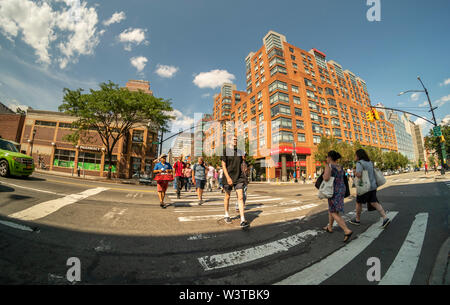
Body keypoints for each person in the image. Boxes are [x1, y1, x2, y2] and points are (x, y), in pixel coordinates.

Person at [349, 149, 390, 228]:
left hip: (364, 187)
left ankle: (357, 219)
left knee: (359, 203)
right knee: (374, 202)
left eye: (355, 155)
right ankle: (385, 217)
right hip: (373, 186)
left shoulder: (359, 163)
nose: (355, 157)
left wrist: (354, 172)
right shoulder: (370, 162)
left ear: (358, 156)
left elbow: (359, 175)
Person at [322, 151, 353, 242]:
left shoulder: (329, 166)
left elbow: (326, 178)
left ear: (330, 158)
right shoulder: (340, 166)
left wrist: (324, 175)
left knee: (333, 212)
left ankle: (347, 230)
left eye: (326, 156)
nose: (326, 158)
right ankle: (330, 227)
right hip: (341, 189)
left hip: (333, 191)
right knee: (333, 209)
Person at [222, 135, 249, 229]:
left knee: (241, 197)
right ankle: (226, 214)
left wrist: (244, 159)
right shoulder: (225, 151)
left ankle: (242, 219)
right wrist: (228, 177)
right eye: (233, 139)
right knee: (227, 196)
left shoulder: (239, 151)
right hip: (228, 177)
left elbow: (243, 164)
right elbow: (223, 165)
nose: (235, 141)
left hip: (239, 177)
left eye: (236, 140)